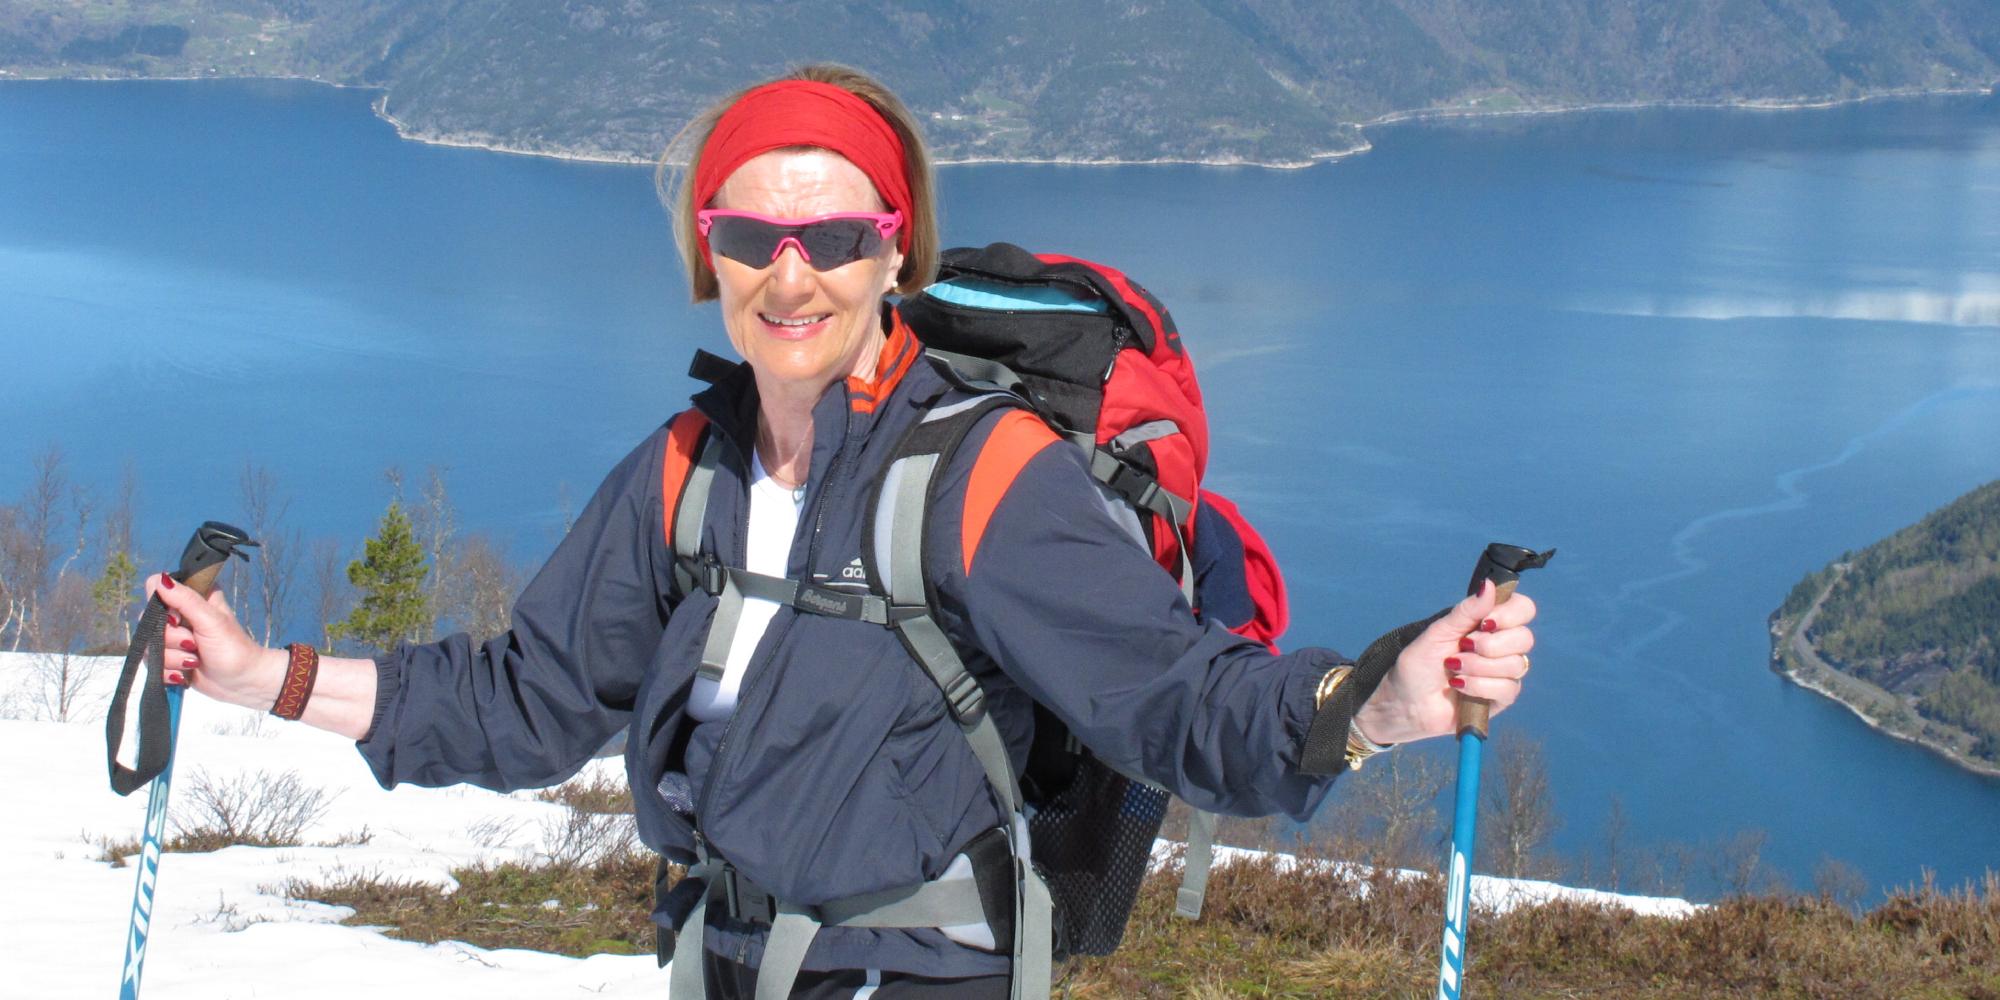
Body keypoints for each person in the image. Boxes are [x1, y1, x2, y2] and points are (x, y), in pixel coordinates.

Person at [147, 64, 1537, 1000]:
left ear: (896, 252)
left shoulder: (981, 474)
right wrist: (258, 675)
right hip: (728, 967)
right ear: (711, 256)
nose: (790, 273)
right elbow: (528, 699)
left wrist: (1377, 701)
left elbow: (1170, 700)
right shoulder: (686, 470)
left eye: (836, 236)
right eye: (752, 235)